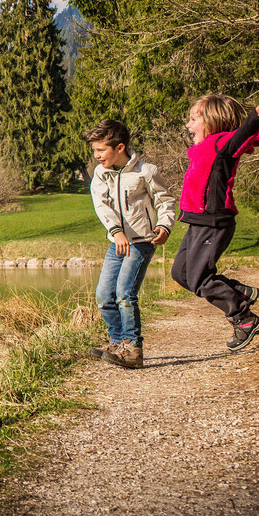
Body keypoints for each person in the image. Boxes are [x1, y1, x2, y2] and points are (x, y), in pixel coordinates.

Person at [172, 95, 259, 350]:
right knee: (181, 274)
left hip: (214, 221)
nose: (188, 126)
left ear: (212, 121)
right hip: (198, 222)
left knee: (198, 279)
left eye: (194, 119)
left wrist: (255, 118)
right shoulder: (203, 149)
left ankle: (243, 318)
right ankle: (239, 292)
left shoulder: (222, 144)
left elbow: (242, 136)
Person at [85, 119, 176, 369]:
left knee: (125, 294)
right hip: (117, 243)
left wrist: (165, 225)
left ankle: (133, 348)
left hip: (142, 241)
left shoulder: (146, 171)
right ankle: (116, 343)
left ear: (120, 147)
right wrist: (115, 231)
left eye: (101, 150)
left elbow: (165, 201)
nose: (96, 156)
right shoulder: (100, 174)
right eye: (94, 150)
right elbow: (101, 204)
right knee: (104, 295)